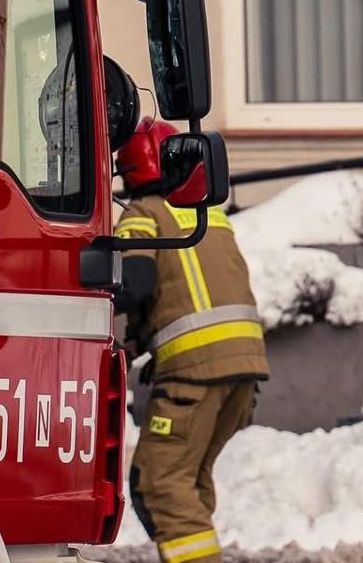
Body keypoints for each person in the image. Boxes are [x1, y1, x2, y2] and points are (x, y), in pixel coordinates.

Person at [115, 118, 268, 563]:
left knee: (159, 483)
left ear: (131, 171)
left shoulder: (143, 215)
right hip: (243, 372)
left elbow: (135, 283)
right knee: (190, 481)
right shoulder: (209, 215)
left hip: (193, 376)